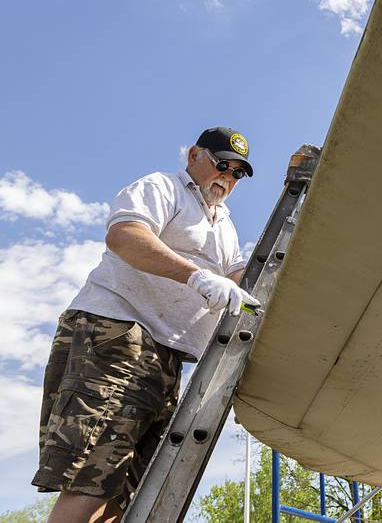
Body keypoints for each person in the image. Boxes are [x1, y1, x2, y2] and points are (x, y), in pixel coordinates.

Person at [32, 127, 260, 523]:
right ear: (194, 156)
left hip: (166, 354)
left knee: (126, 490)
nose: (227, 177)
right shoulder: (164, 188)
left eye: (237, 173)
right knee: (93, 475)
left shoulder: (223, 224)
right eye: (222, 165)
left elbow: (242, 281)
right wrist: (195, 276)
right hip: (118, 334)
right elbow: (124, 236)